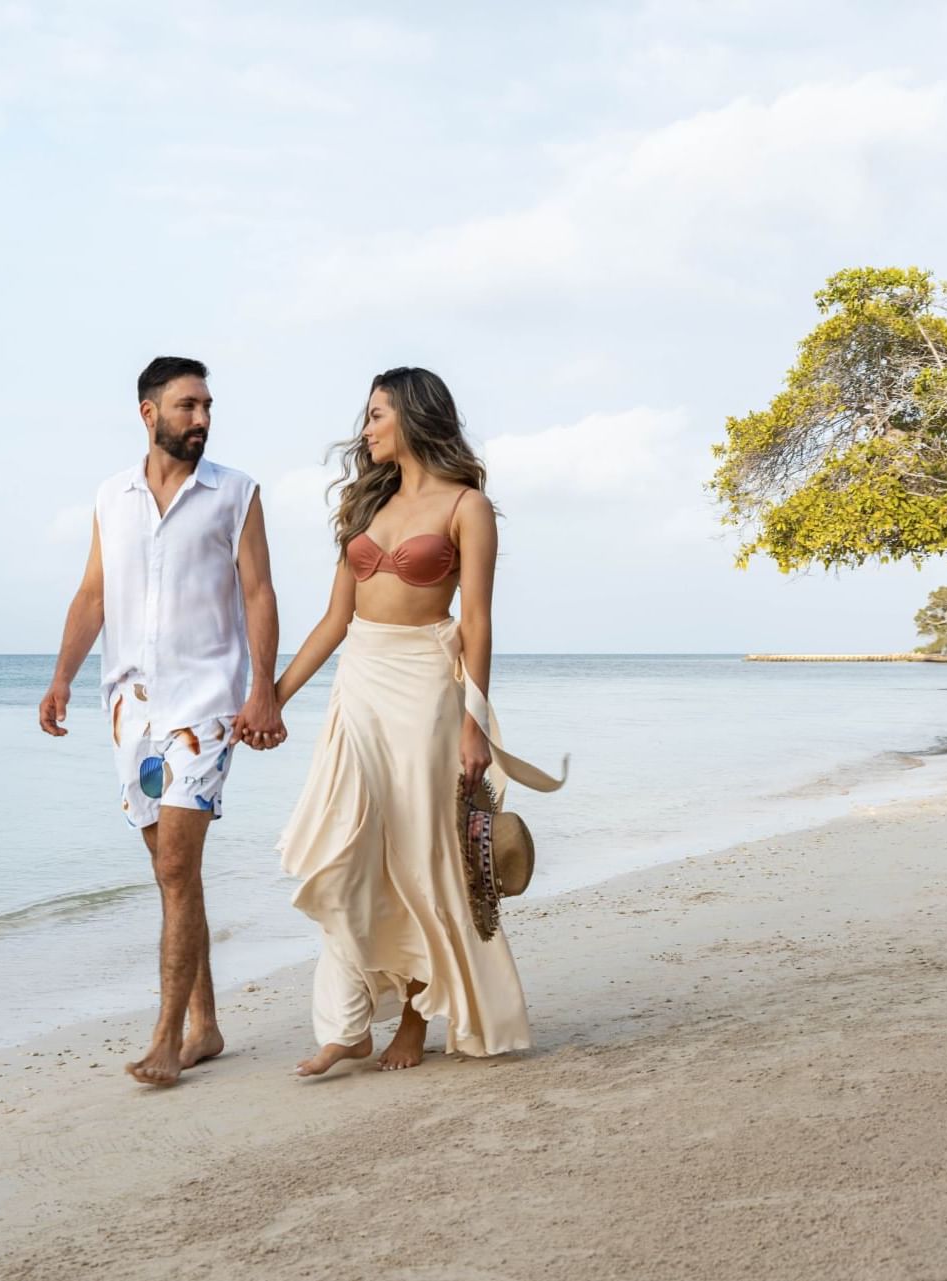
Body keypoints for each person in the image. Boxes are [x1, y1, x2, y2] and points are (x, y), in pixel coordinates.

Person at [273, 366, 564, 1077]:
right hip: (360, 684)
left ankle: (411, 1018)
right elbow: (335, 620)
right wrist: (272, 696)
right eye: (366, 416)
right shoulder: (362, 505)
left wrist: (474, 722)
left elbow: (479, 621)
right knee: (340, 847)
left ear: (411, 415)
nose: (365, 428)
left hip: (428, 687)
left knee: (420, 855)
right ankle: (347, 1021)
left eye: (376, 414)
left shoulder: (468, 506)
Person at [39, 356, 285, 1087]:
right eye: (188, 405)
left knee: (177, 867)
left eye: (208, 405)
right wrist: (61, 678)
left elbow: (259, 593)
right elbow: (92, 595)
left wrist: (262, 689)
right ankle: (206, 1024)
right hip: (130, 710)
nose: (202, 418)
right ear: (149, 413)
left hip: (206, 703)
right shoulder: (110, 496)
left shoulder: (236, 493)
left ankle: (167, 1037)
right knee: (171, 872)